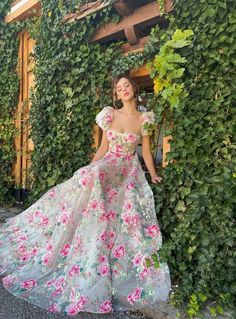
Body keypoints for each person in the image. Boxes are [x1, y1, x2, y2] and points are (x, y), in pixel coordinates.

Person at [0, 75, 171, 315]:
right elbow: (103, 147)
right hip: (106, 166)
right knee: (93, 176)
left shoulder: (144, 119)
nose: (123, 90)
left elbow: (144, 149)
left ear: (134, 88)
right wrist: (90, 168)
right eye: (119, 88)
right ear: (117, 93)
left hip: (127, 171)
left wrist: (152, 174)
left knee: (108, 193)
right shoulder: (110, 114)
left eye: (126, 86)